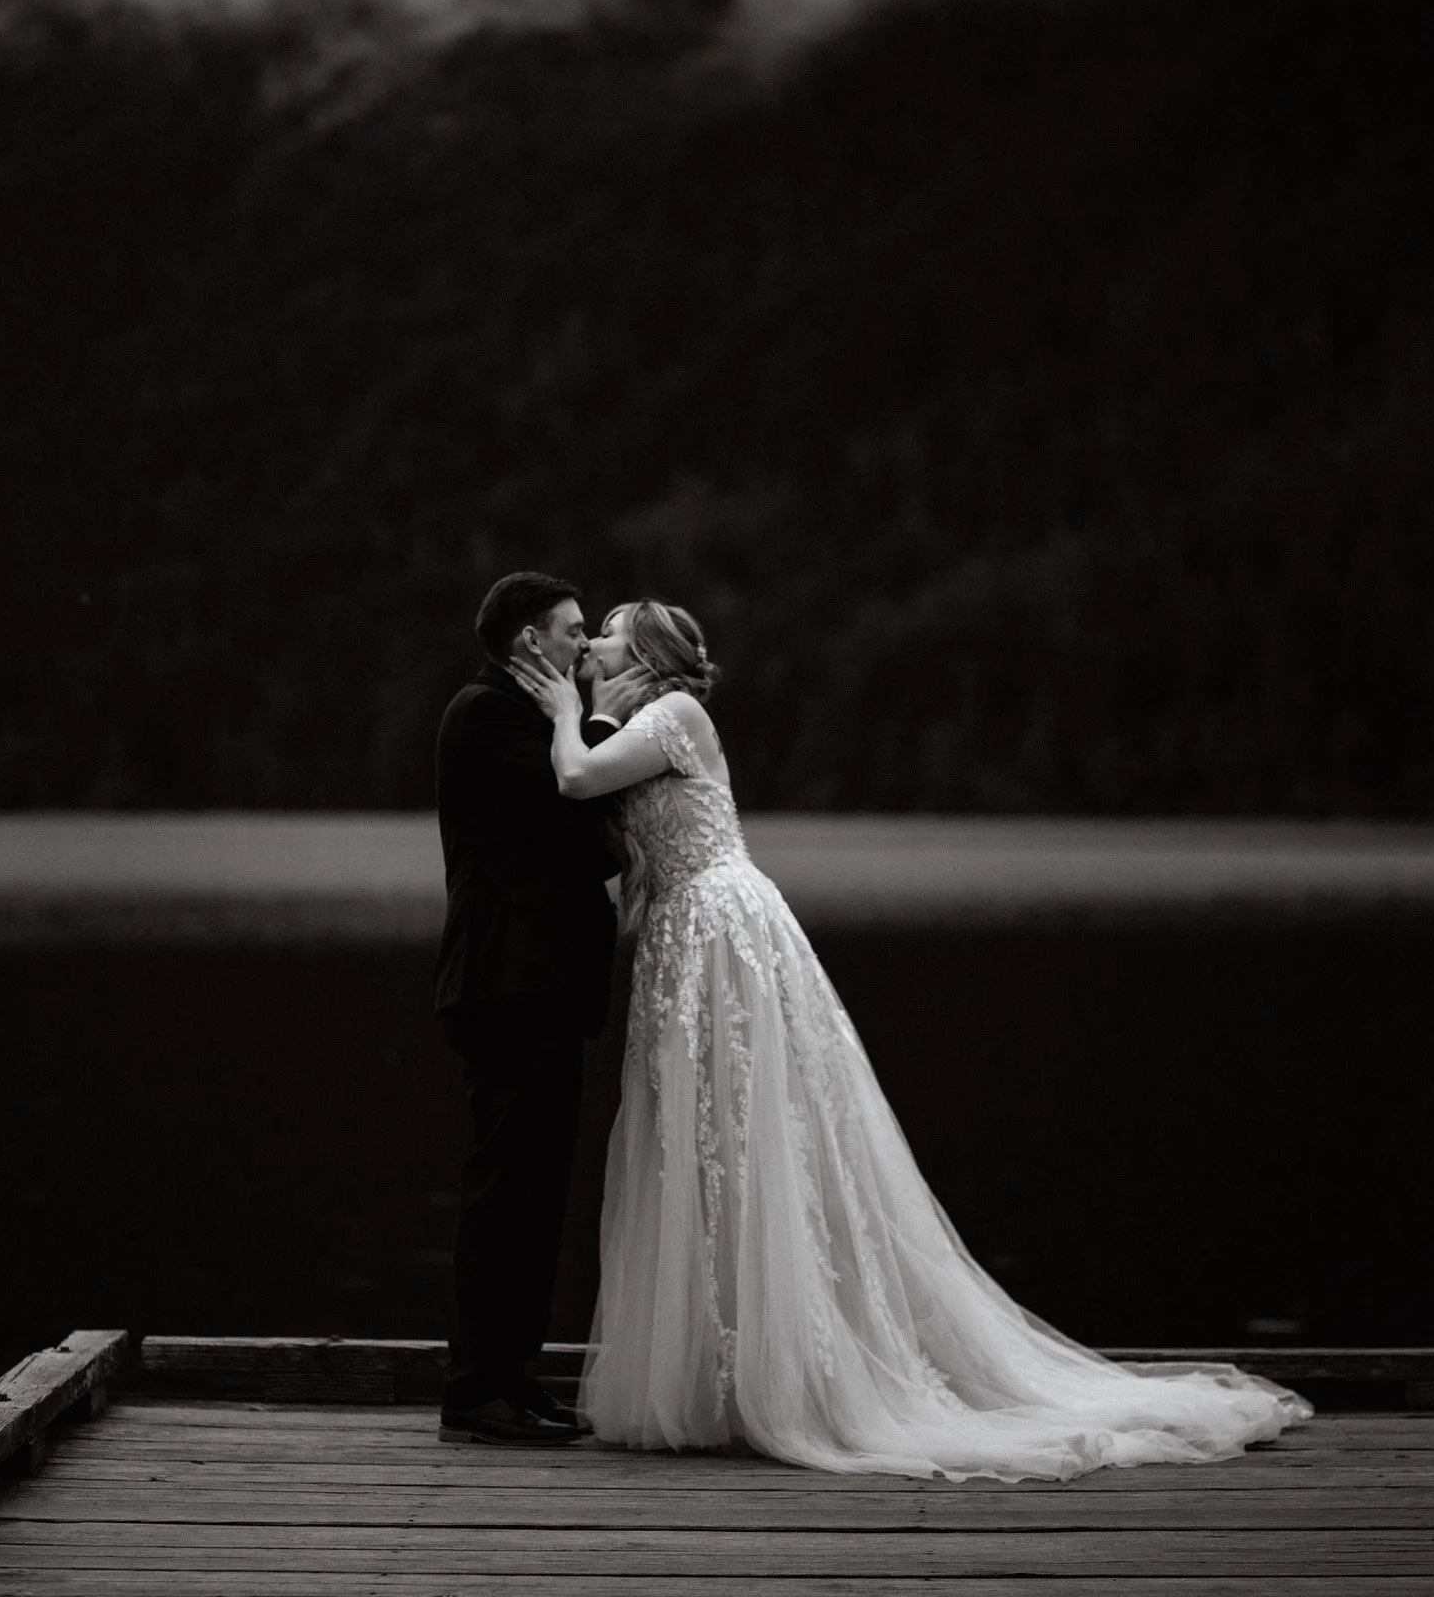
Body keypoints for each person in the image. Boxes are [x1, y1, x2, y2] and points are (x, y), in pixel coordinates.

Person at [505, 600, 1312, 1481]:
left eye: (611, 627)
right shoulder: (630, 720)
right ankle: (730, 1371)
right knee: (704, 1149)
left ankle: (802, 1376)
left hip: (720, 932)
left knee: (754, 1135)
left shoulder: (674, 715)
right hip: (679, 943)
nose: (593, 639)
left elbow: (578, 781)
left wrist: (558, 715)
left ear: (647, 653)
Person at [432, 572, 655, 1446]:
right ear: (531, 642)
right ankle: (474, 1387)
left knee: (535, 1189)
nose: (585, 646)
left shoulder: (525, 721)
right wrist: (593, 717)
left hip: (541, 986)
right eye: (570, 632)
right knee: (505, 1186)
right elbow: (582, 814)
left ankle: (512, 1378)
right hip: (505, 982)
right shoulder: (486, 715)